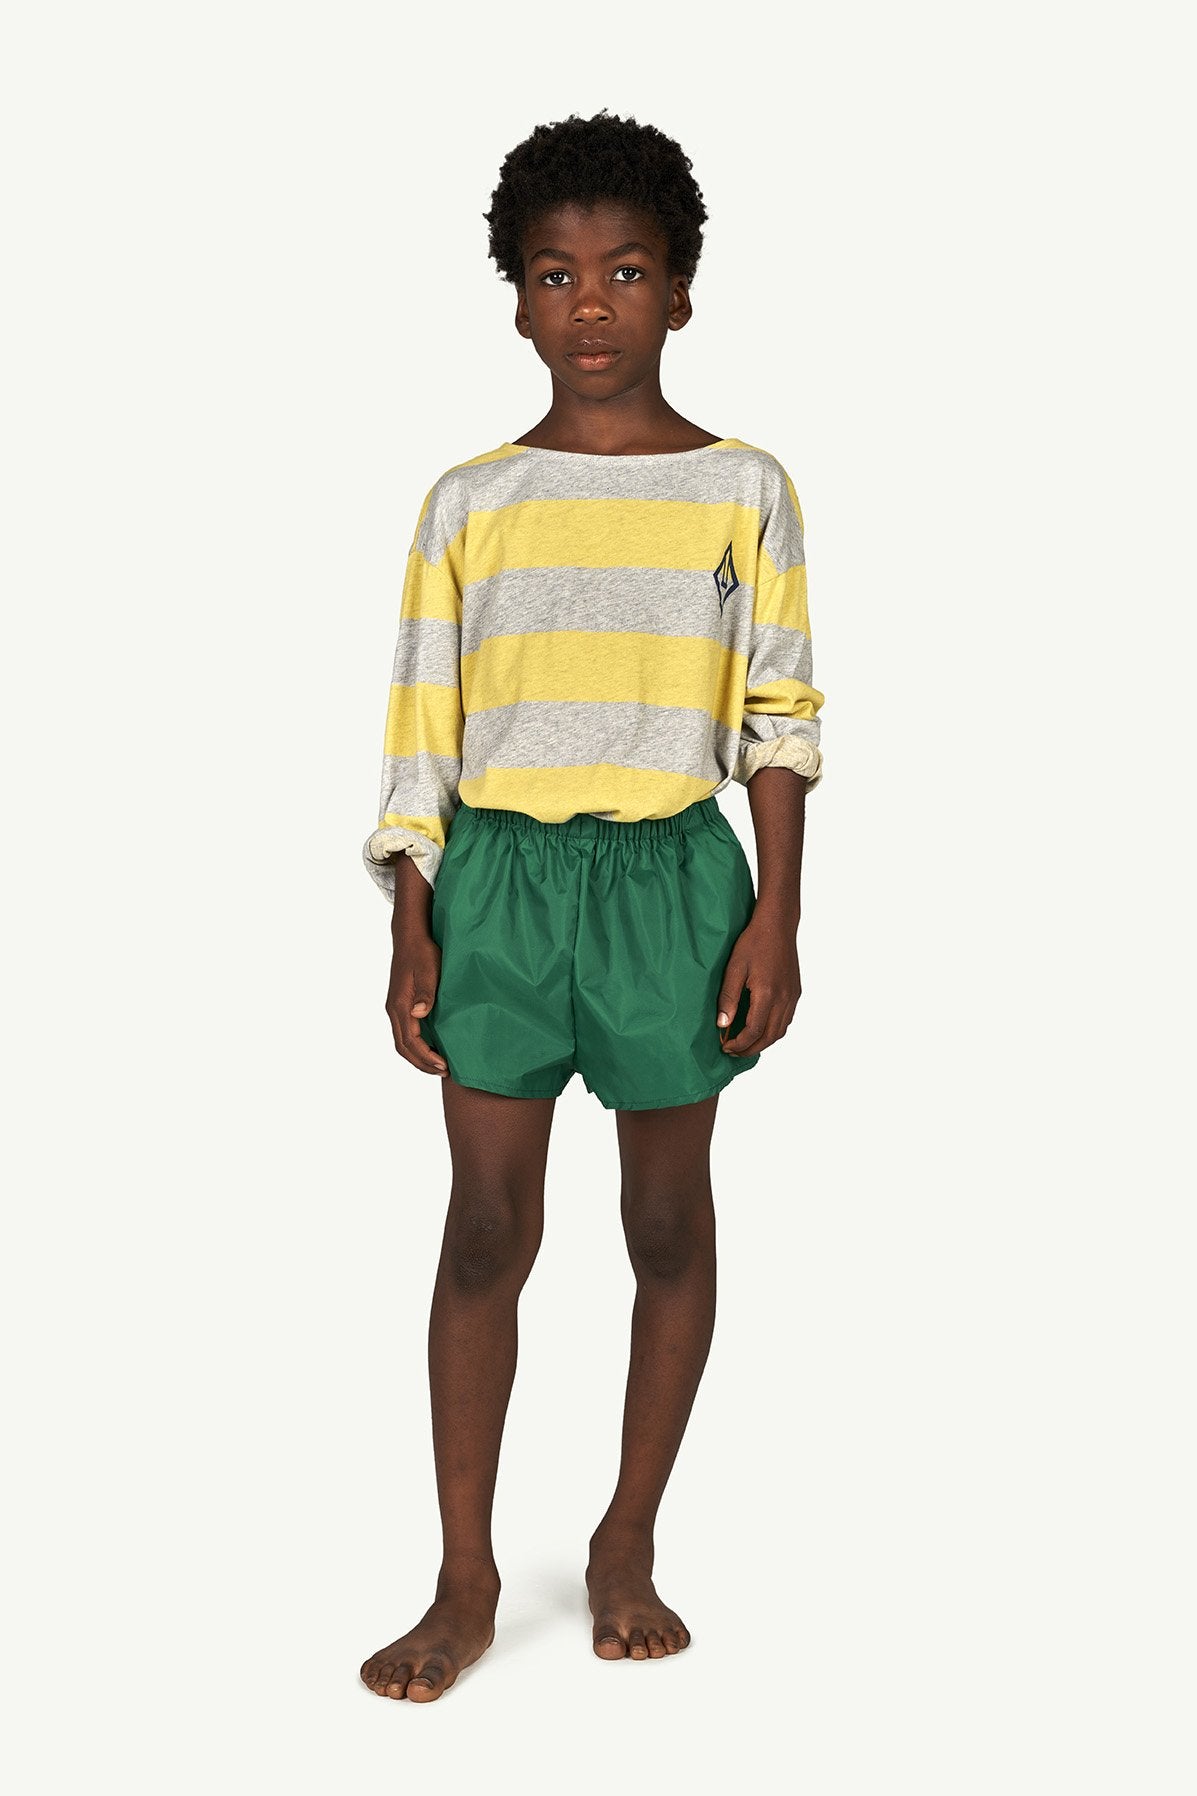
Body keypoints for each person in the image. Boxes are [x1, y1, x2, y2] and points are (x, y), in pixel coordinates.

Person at [358, 109, 825, 1703]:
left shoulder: (742, 489)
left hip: (670, 881)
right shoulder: (468, 502)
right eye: (555, 274)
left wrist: (774, 914)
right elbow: (423, 717)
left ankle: (625, 1539)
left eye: (626, 270)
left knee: (666, 1220)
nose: (592, 304)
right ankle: (465, 1575)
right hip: (497, 878)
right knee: (485, 1227)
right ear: (515, 300)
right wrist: (410, 913)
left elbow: (777, 710)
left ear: (680, 290)